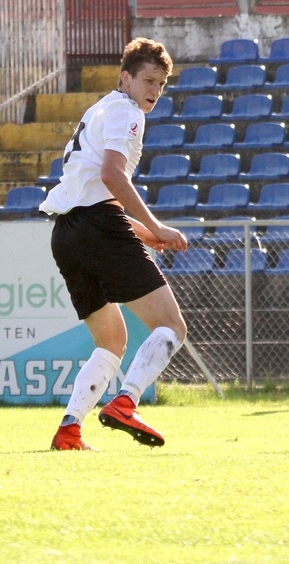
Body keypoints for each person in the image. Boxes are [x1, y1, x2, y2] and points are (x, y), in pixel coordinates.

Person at [41, 38, 189, 451]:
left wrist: (146, 234)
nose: (155, 91)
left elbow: (92, 194)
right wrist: (157, 226)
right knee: (171, 326)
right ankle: (126, 402)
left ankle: (70, 429)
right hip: (98, 227)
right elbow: (111, 177)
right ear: (126, 78)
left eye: (161, 84)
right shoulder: (127, 112)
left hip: (66, 234)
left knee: (112, 340)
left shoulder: (99, 107)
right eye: (148, 80)